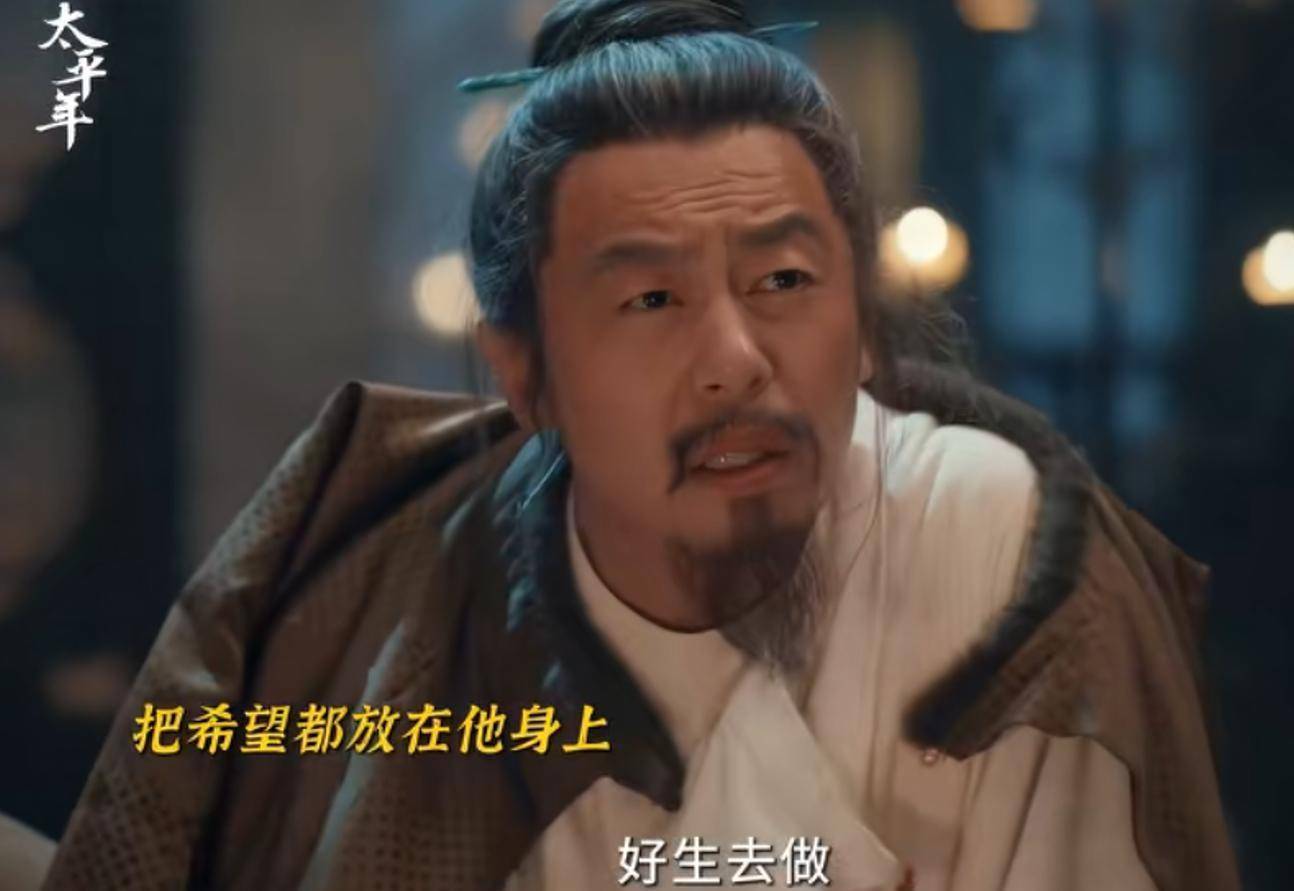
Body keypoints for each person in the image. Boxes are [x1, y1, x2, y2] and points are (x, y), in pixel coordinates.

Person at [41, 2, 1238, 889]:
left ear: (866, 327)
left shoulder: (1014, 574)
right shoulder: (388, 588)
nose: (734, 359)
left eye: (783, 280)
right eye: (650, 299)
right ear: (524, 373)